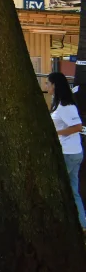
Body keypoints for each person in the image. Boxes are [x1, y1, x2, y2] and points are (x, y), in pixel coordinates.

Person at [47, 73, 86, 229]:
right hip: (72, 152)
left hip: (68, 153)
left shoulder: (65, 106)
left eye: (48, 83)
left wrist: (55, 133)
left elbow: (77, 127)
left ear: (55, 85)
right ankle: (81, 224)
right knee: (72, 189)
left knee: (58, 188)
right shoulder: (61, 104)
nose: (46, 86)